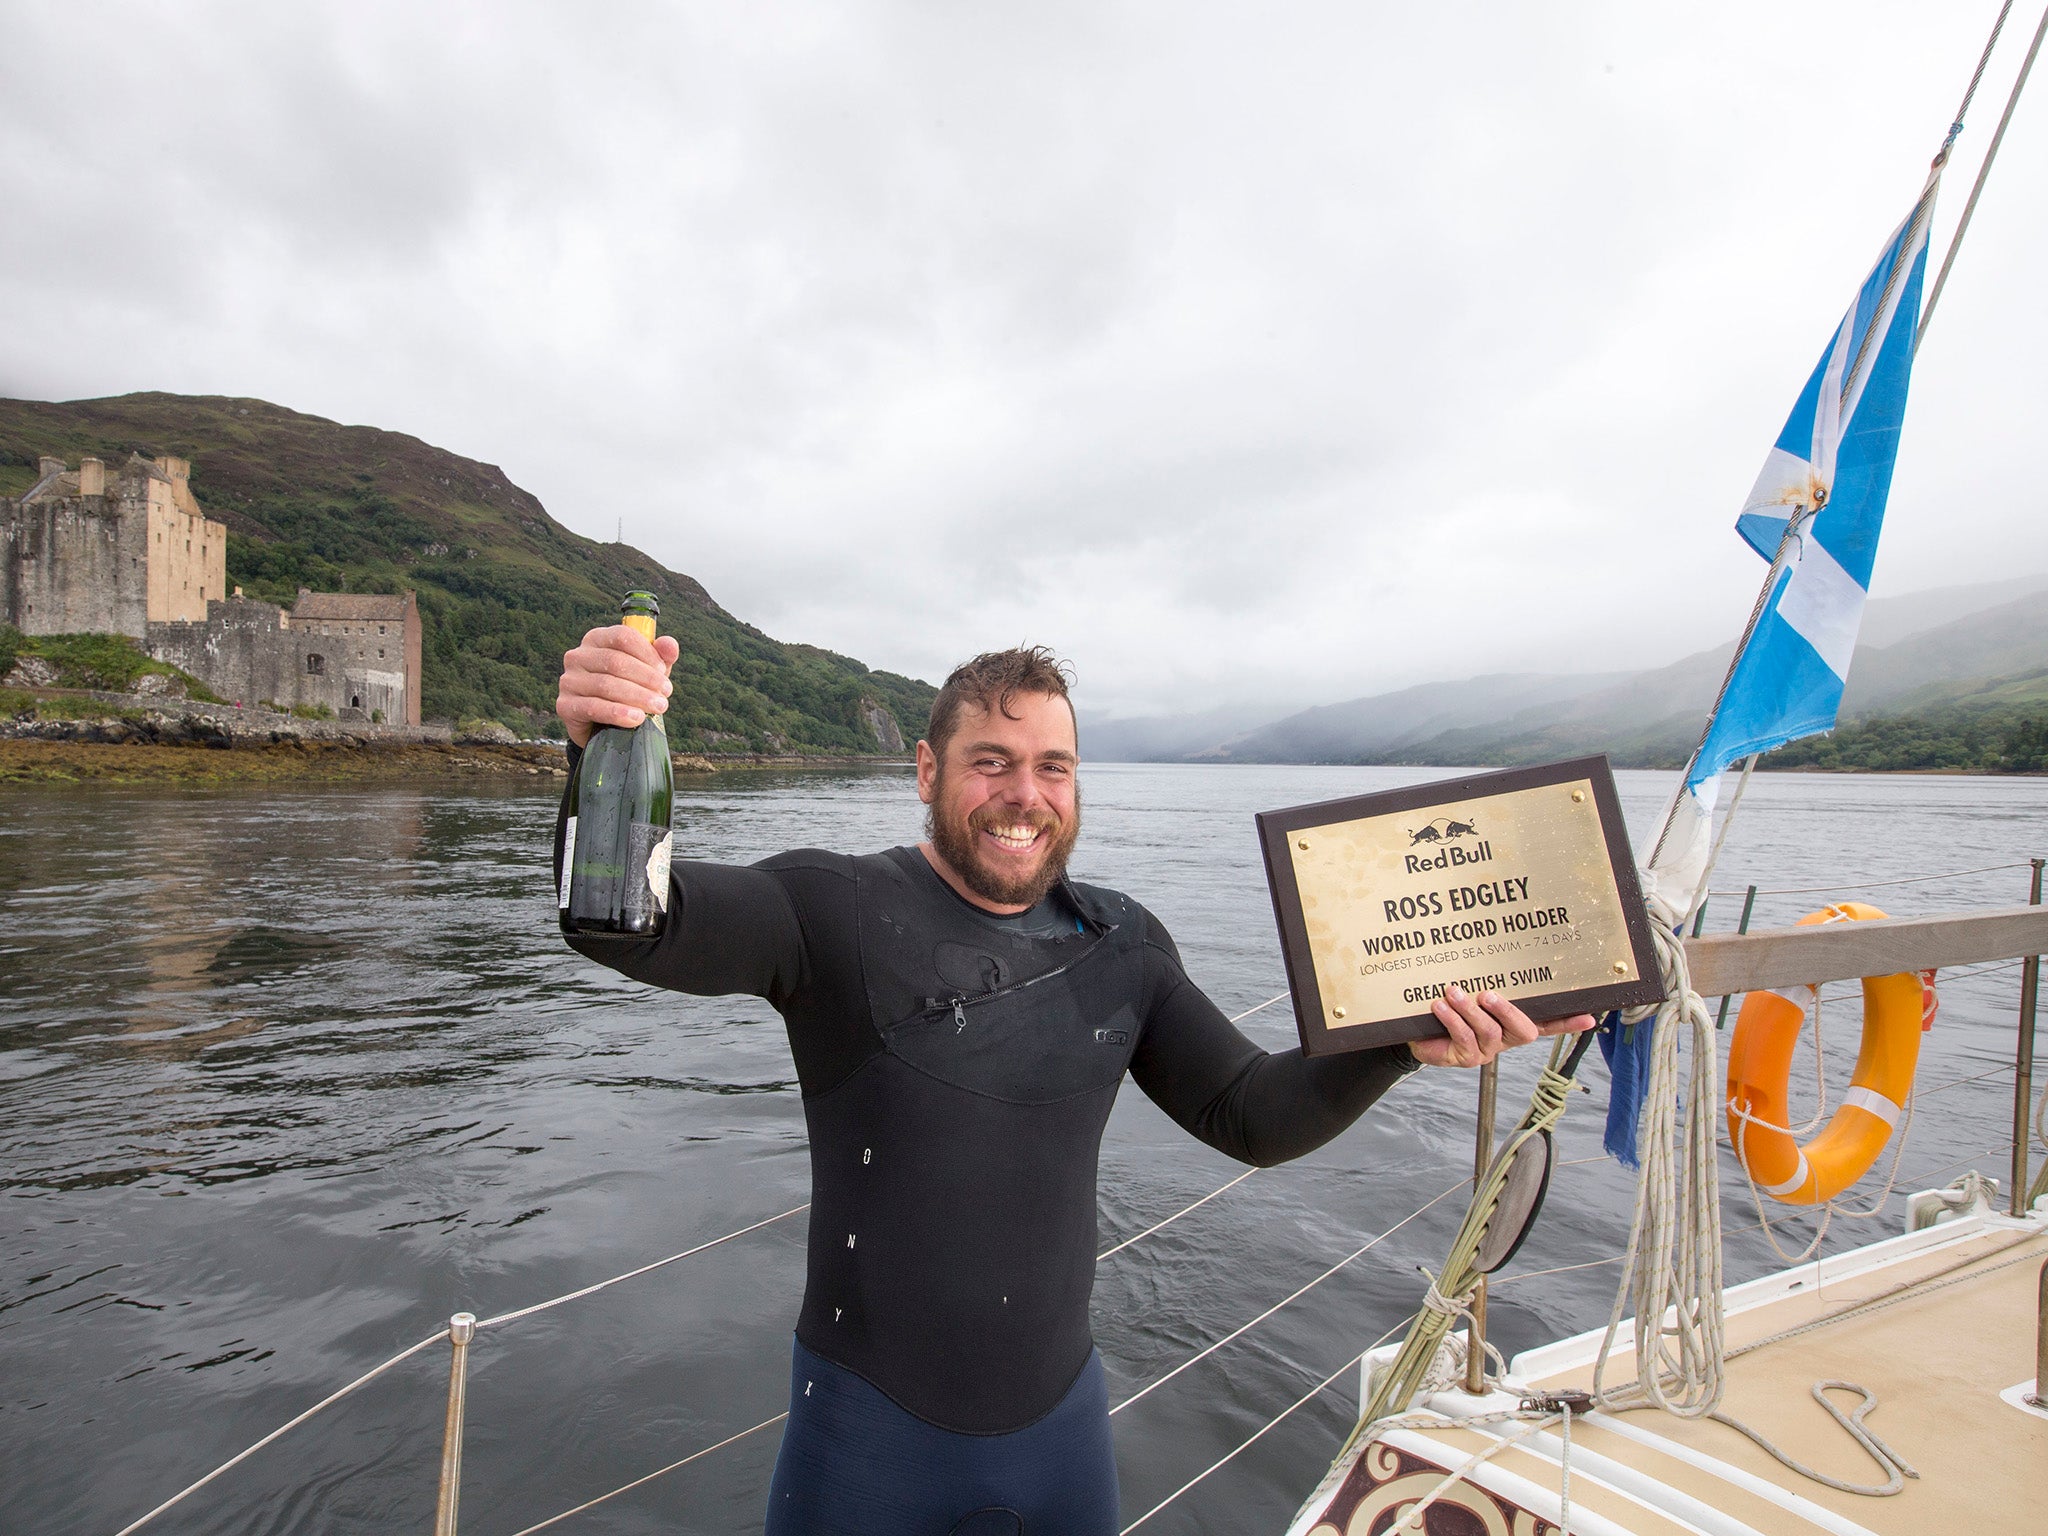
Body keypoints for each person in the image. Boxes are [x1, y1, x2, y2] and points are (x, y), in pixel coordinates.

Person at [553, 631, 1594, 1536]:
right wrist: (601, 748)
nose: (1024, 795)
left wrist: (1400, 1041)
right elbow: (625, 921)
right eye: (990, 762)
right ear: (925, 770)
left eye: (1053, 767)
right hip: (867, 1447)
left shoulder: (1120, 942)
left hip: (1061, 1444)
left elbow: (1249, 1116)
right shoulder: (832, 912)